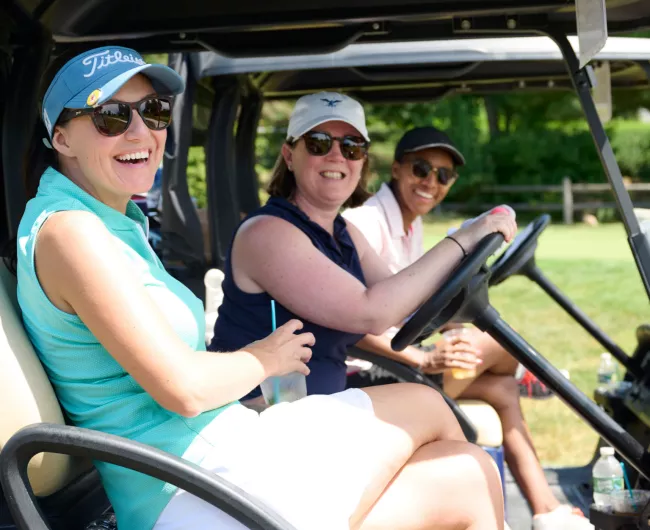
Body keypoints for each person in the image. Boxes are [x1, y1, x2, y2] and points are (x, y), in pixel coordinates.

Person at [13, 50, 504, 530]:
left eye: (154, 111)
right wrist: (265, 358)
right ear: (62, 137)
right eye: (112, 117)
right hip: (188, 487)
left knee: (465, 473)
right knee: (433, 412)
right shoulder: (71, 231)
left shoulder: (113, 222)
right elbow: (182, 388)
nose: (142, 131)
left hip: (218, 452)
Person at [342, 126, 592, 530]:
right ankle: (533, 375)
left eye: (443, 175)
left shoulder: (410, 222)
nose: (431, 182)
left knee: (501, 388)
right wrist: (424, 358)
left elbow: (410, 305)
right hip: (370, 374)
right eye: (422, 169)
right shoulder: (364, 223)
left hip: (402, 361)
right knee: (490, 340)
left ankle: (546, 511)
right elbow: (352, 322)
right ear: (398, 168)